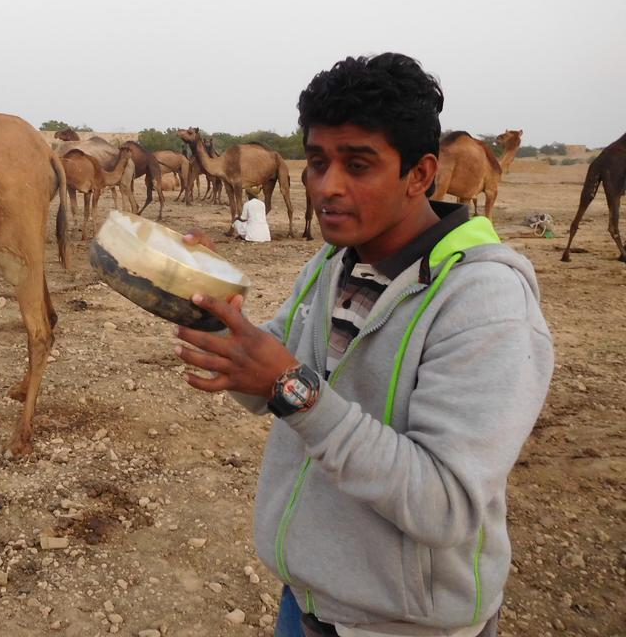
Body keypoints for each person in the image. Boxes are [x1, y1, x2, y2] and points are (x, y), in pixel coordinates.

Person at [173, 53, 552, 637]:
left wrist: (292, 390)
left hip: (403, 623)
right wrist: (201, 307)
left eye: (358, 164)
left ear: (421, 174)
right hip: (307, 602)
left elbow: (444, 504)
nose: (328, 186)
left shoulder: (485, 301)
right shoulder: (334, 262)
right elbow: (271, 370)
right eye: (319, 161)